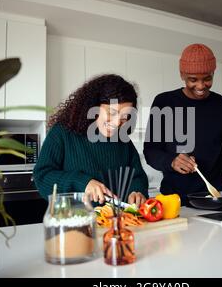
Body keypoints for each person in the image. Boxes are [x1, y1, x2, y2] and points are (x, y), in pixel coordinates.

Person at [143, 43, 222, 204]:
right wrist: (171, 161)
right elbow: (151, 151)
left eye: (207, 79)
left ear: (213, 73)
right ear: (182, 75)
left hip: (215, 197)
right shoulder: (164, 102)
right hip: (173, 200)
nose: (200, 86)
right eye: (193, 80)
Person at [34, 74, 148, 206]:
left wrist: (137, 191)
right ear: (93, 106)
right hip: (76, 222)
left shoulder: (124, 142)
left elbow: (137, 176)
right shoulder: (62, 133)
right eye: (111, 113)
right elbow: (42, 176)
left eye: (125, 117)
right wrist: (83, 183)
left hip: (117, 223)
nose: (117, 123)